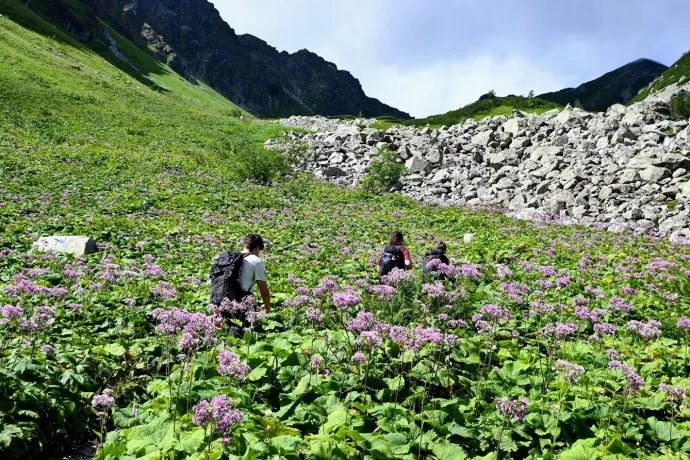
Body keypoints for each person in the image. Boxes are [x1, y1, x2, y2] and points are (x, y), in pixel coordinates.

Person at [239, 234, 271, 313]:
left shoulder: (231, 258)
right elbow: (264, 291)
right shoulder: (255, 260)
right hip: (243, 304)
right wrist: (267, 306)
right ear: (257, 248)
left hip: (222, 303)